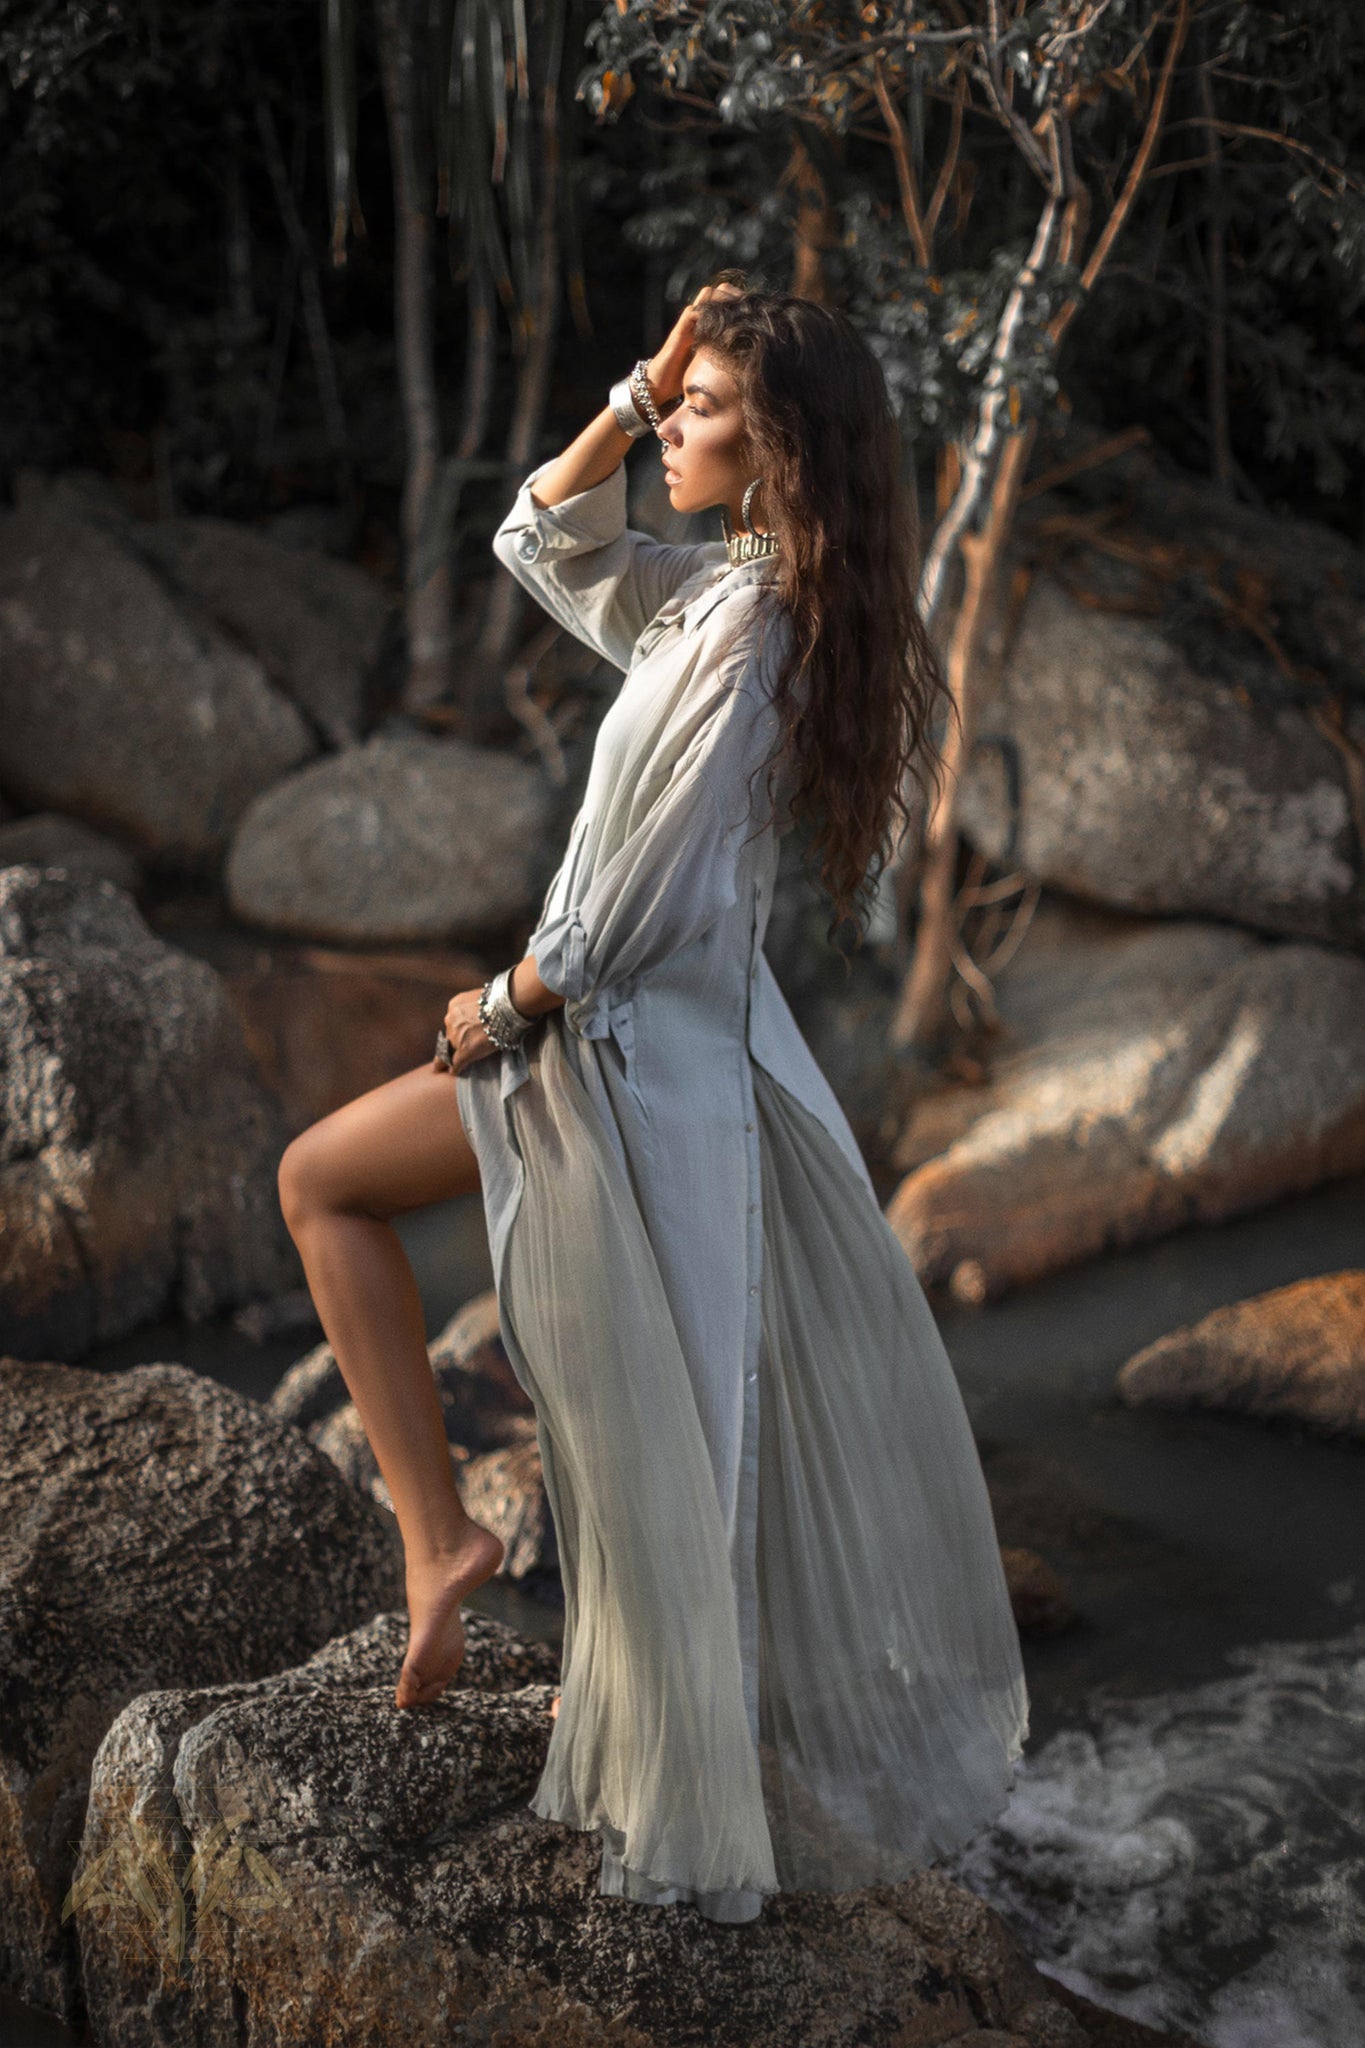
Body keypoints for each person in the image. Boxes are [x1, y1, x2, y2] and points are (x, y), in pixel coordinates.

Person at [276, 277, 1029, 1925]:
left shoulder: (754, 625)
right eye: (672, 408)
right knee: (611, 1397)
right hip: (640, 1042)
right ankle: (444, 1552)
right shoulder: (717, 595)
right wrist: (637, 385)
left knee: (641, 1423)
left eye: (698, 415)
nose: (666, 431)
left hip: (624, 1055)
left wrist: (504, 1004)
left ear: (774, 452)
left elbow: (642, 889)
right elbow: (534, 542)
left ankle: (538, 1637)